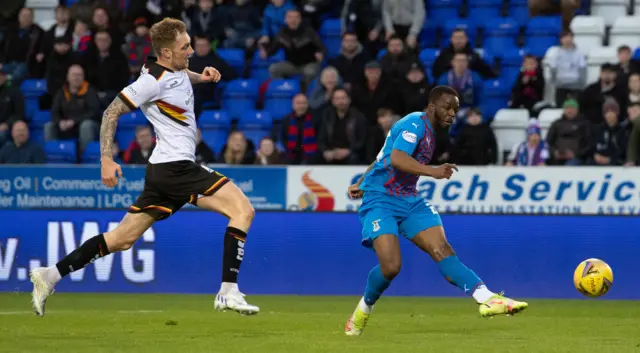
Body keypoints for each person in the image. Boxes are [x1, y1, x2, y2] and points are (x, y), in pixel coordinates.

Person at [29, 18, 259, 317]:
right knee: (243, 211)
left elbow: (178, 76)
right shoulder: (150, 81)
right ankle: (228, 291)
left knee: (121, 239)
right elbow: (111, 112)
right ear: (165, 52)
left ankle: (50, 276)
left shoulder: (170, 68)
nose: (191, 50)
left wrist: (200, 78)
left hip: (164, 170)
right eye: (184, 46)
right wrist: (106, 159)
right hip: (177, 168)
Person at [344, 86, 528, 336]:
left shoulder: (431, 132)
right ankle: (363, 310)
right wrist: (434, 171)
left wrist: (360, 181)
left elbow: (382, 157)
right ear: (432, 107)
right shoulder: (414, 123)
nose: (452, 113)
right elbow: (397, 158)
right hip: (381, 200)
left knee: (442, 248)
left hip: (409, 200)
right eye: (447, 107)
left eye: (455, 108)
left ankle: (486, 298)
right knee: (391, 267)